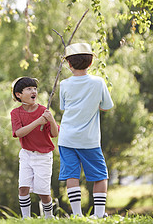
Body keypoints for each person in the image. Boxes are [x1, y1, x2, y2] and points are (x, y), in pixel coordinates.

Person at [58, 43, 114, 218]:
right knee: (100, 175)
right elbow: (106, 106)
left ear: (69, 64)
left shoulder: (64, 84)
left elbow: (64, 107)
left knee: (71, 174)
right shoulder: (98, 82)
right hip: (89, 139)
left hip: (66, 138)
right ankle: (98, 214)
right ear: (90, 63)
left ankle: (77, 215)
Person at [10, 76, 59, 219]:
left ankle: (49, 217)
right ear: (19, 95)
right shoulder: (16, 113)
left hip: (43, 156)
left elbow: (54, 134)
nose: (34, 91)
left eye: (35, 89)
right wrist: (38, 122)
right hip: (26, 154)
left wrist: (51, 120)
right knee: (23, 187)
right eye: (29, 89)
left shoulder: (44, 111)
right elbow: (19, 133)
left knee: (43, 192)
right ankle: (26, 218)